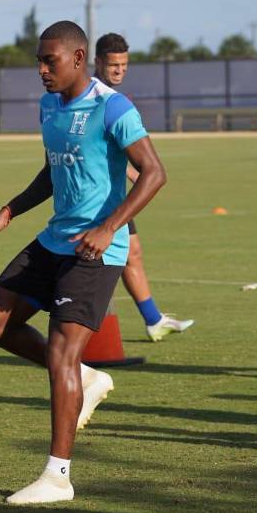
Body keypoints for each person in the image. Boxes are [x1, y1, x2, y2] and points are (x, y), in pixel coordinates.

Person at [0, 21, 166, 505]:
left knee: (63, 352)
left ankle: (57, 477)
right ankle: (86, 380)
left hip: (96, 251)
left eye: (49, 60)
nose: (41, 70)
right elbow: (52, 168)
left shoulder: (112, 106)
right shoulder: (49, 105)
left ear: (78, 59)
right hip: (55, 239)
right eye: (38, 60)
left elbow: (154, 173)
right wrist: (8, 210)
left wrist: (109, 227)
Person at [94, 32, 193, 341]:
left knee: (132, 252)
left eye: (124, 65)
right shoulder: (93, 97)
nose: (119, 71)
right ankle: (79, 326)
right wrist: (131, 171)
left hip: (114, 193)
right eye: (113, 65)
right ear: (97, 62)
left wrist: (132, 170)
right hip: (97, 197)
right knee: (111, 255)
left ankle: (152, 319)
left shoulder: (114, 98)